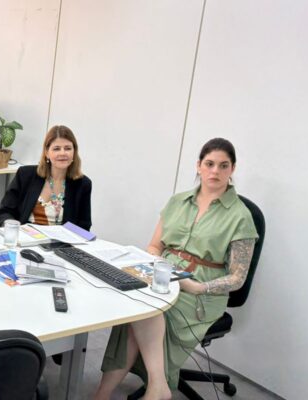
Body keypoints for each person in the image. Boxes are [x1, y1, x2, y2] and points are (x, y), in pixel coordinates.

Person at [92, 138, 259, 400]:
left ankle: (148, 390)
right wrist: (157, 265)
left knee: (149, 309)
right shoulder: (178, 201)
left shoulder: (241, 216)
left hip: (201, 291)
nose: (215, 171)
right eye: (209, 164)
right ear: (199, 165)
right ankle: (130, 390)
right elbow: (154, 245)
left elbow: (238, 277)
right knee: (134, 306)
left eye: (223, 165)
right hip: (163, 273)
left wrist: (198, 287)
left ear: (233, 169)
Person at [0, 125, 92, 230]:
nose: (62, 153)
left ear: (74, 152)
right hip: (23, 236)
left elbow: (84, 226)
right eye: (56, 149)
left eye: (68, 148)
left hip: (60, 239)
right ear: (47, 152)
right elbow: (6, 212)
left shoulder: (83, 184)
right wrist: (13, 230)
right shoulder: (25, 175)